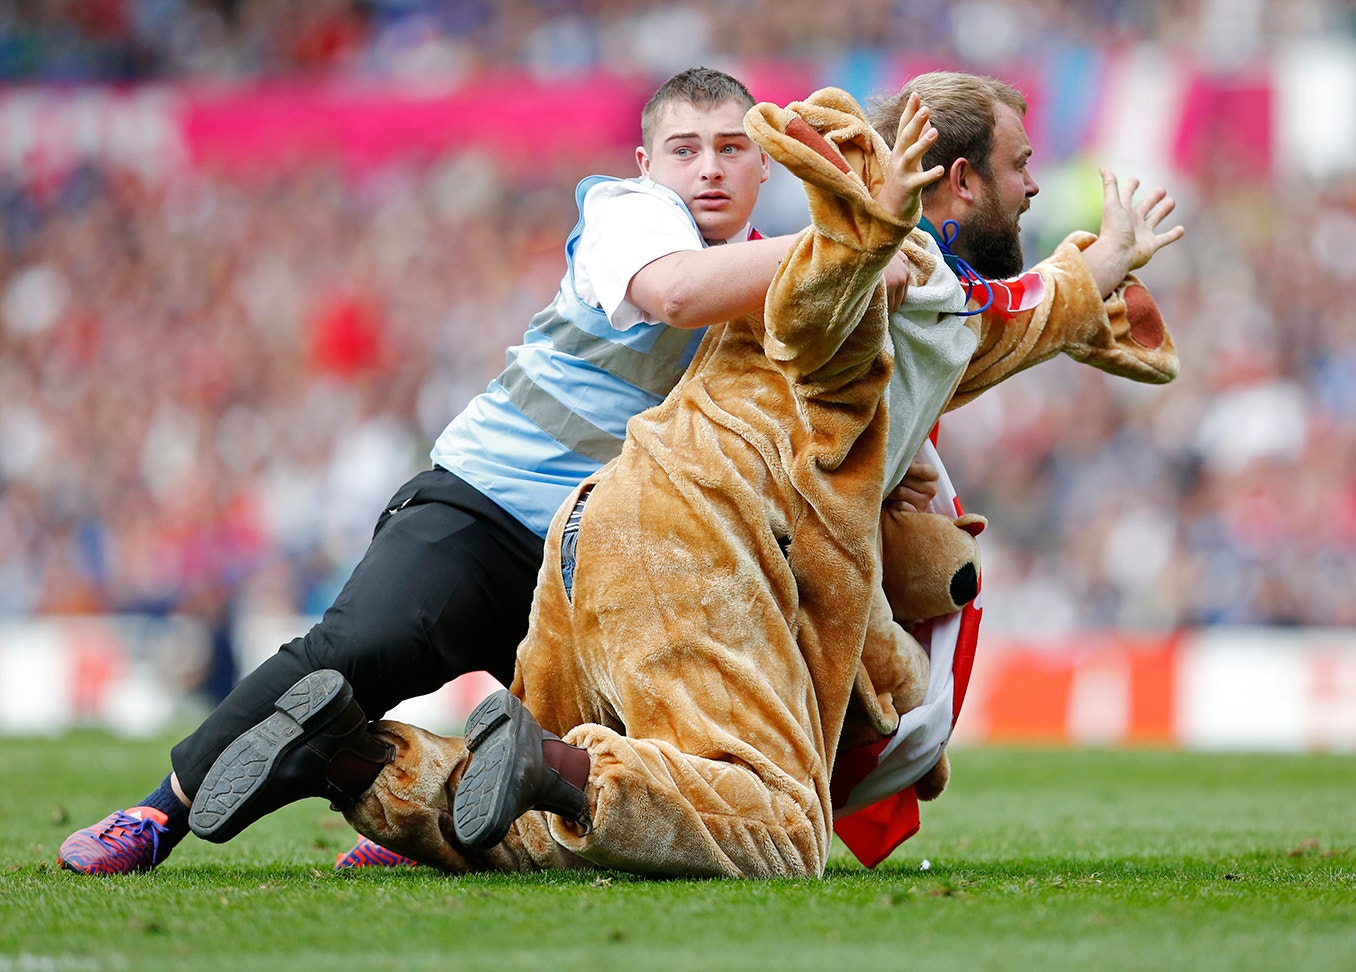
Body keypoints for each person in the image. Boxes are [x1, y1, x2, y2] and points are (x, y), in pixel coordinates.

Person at [303, 79, 1183, 878]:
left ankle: (376, 771)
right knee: (780, 831)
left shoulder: (940, 300)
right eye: (1021, 164)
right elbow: (817, 313)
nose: (1034, 185)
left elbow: (1022, 314)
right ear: (960, 176)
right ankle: (559, 772)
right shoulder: (867, 269)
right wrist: (864, 239)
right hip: (699, 540)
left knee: (564, 786)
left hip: (597, 522)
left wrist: (1111, 255)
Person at [57, 66, 813, 876]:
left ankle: (399, 809)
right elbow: (672, 294)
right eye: (685, 148)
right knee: (357, 652)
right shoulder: (626, 212)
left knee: (627, 758)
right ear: (645, 163)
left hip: (606, 563)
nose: (709, 167)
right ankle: (156, 812)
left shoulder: (787, 277)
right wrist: (844, 246)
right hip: (487, 512)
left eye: (732, 148)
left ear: (763, 164)